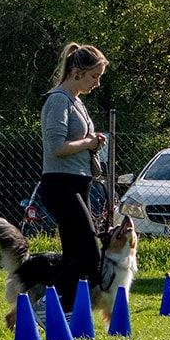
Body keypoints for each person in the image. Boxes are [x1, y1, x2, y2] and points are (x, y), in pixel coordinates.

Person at [39, 42, 108, 314]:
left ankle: (63, 314)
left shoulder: (76, 102)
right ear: (77, 72)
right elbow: (56, 147)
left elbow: (78, 142)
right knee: (90, 255)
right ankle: (47, 305)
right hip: (60, 185)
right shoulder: (57, 100)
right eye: (95, 76)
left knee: (73, 254)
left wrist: (92, 143)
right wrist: (88, 142)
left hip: (78, 183)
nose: (98, 83)